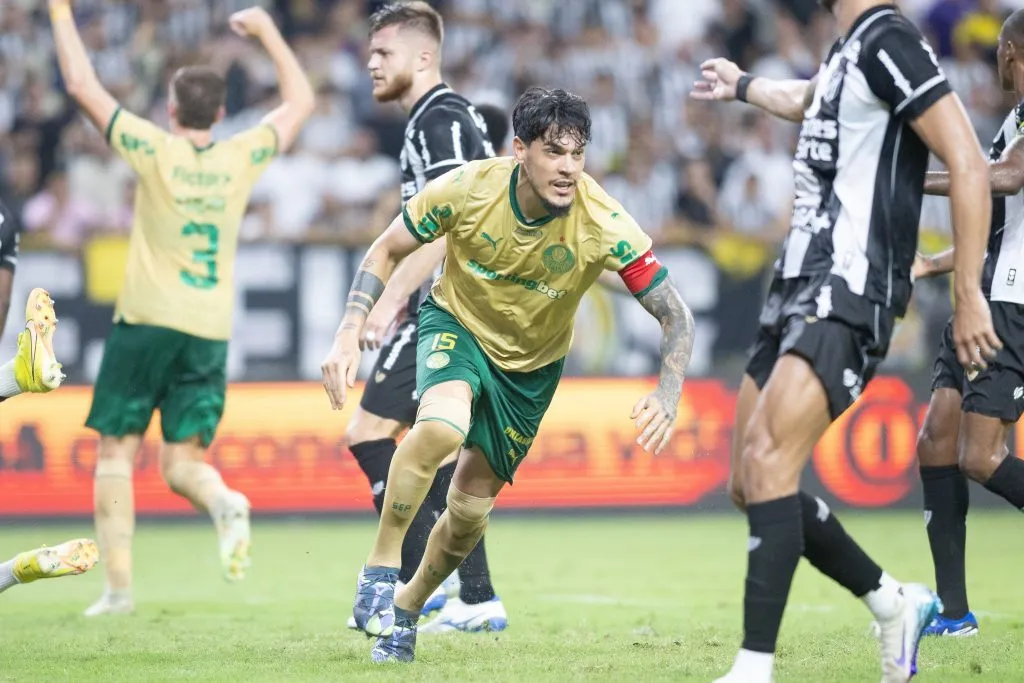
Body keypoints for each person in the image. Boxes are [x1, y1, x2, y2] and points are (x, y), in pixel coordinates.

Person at [321, 86, 695, 662]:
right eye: (554, 152)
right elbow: (387, 247)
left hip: (530, 373)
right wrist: (350, 328)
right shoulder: (469, 188)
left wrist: (668, 394)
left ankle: (407, 610)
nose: (569, 168)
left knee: (468, 516)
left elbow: (676, 313)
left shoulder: (604, 221)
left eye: (578, 154)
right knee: (442, 426)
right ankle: (380, 565)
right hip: (457, 327)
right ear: (520, 149)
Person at [691, 0, 1000, 681]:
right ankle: (892, 602)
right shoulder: (846, 51)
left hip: (851, 285)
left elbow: (969, 162)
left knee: (772, 459)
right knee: (749, 478)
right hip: (796, 283)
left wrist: (968, 289)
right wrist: (743, 84)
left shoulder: (891, 38)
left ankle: (753, 665)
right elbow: (806, 97)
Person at [47, 0, 314, 615]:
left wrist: (60, 11)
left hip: (145, 320)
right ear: (220, 114)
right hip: (209, 329)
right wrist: (269, 30)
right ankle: (223, 501)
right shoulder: (240, 155)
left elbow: (81, 85)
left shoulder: (154, 148)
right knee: (183, 462)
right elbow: (300, 103)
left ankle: (117, 589)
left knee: (117, 449)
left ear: (171, 111)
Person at [342, 1, 507, 634]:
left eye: (383, 53)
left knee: (369, 433)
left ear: (423, 56)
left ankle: (421, 586)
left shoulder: (437, 120)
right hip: (463, 308)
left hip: (444, 307)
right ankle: (473, 593)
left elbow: (448, 226)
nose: (371, 64)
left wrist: (386, 301)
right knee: (438, 453)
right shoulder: (443, 119)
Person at [912, 8, 1024, 639]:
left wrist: (911, 178)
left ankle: (955, 612)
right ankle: (955, 614)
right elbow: (996, 221)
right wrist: (933, 264)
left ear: (1009, 51)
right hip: (981, 295)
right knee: (936, 442)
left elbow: (1005, 179)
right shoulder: (1014, 119)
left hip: (1014, 304)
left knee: (981, 457)